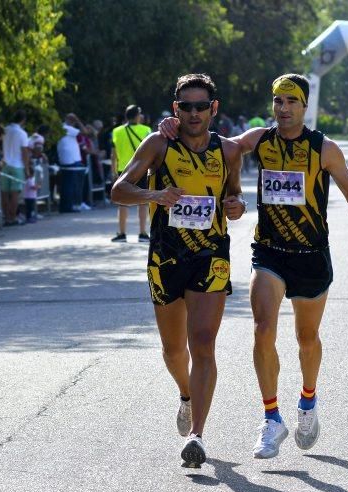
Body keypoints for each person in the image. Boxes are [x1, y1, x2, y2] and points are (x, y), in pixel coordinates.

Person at [159, 73, 348, 460]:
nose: (283, 109)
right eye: (277, 102)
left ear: (304, 106)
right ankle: (271, 417)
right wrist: (175, 126)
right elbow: (212, 145)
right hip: (268, 251)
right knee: (263, 328)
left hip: (311, 255)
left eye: (291, 102)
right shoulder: (259, 140)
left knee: (306, 338)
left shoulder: (323, 148)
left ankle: (308, 402)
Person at [111, 73, 245, 467]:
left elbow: (233, 193)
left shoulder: (229, 151)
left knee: (203, 342)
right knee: (174, 350)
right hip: (166, 256)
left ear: (213, 109)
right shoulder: (159, 144)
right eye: (185, 106)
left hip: (211, 256)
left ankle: (198, 436)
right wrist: (154, 194)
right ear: (175, 109)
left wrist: (236, 205)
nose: (192, 113)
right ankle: (186, 394)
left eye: (200, 106)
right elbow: (119, 189)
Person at [111, 105, 151, 242]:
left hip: (123, 170)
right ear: (136, 116)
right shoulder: (146, 130)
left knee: (122, 202)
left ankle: (122, 233)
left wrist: (113, 170)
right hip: (141, 169)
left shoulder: (116, 131)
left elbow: (114, 153)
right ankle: (143, 233)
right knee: (143, 202)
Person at [1, 110, 31, 225]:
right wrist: (27, 169)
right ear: (23, 120)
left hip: (5, 164)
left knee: (4, 193)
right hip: (17, 165)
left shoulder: (5, 130)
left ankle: (6, 217)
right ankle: (12, 217)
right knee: (14, 194)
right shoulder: (22, 133)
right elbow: (24, 152)